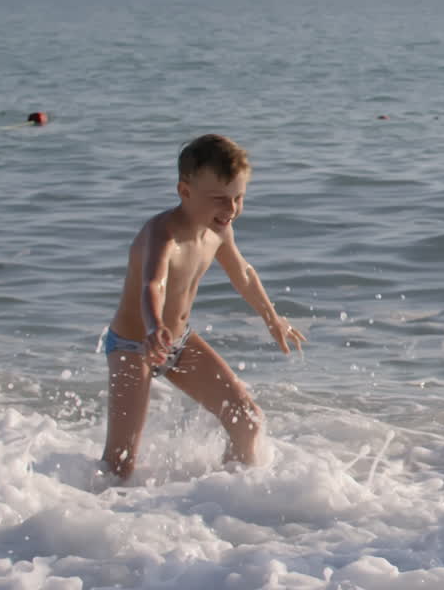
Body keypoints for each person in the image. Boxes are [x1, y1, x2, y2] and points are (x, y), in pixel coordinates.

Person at [100, 134, 306, 480]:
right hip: (135, 345)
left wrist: (272, 318)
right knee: (121, 462)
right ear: (185, 192)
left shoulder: (220, 231)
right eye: (219, 200)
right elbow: (154, 284)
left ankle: (224, 497)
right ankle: (89, 516)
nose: (230, 210)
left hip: (179, 343)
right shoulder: (162, 234)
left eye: (238, 198)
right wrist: (153, 327)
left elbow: (243, 273)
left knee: (247, 419)